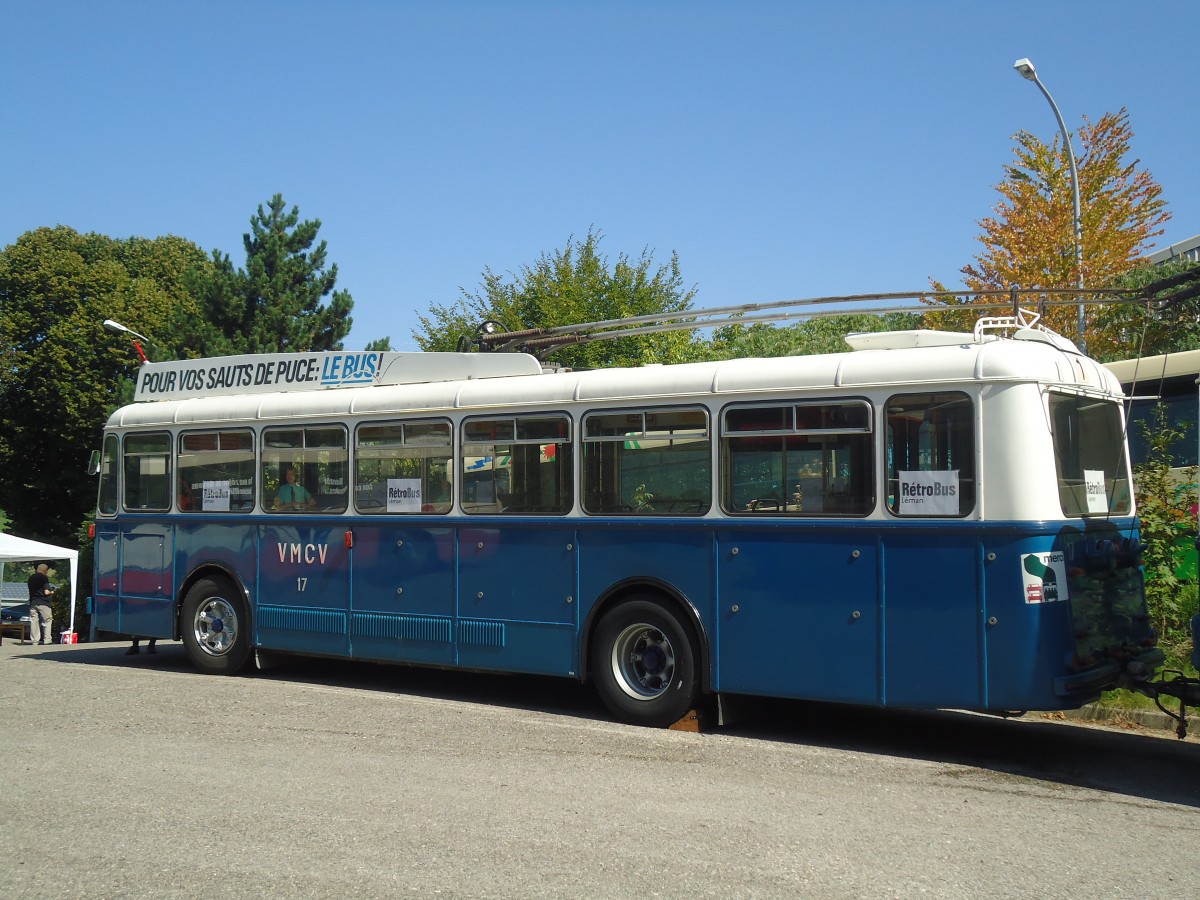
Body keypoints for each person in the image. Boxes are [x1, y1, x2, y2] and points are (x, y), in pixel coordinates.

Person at [26, 563, 54, 646]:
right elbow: (46, 592)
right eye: (47, 570)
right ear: (45, 570)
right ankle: (47, 640)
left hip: (33, 602)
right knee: (47, 620)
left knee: (34, 621)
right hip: (43, 602)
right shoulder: (44, 578)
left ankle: (34, 640)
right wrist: (51, 592)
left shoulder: (31, 578)